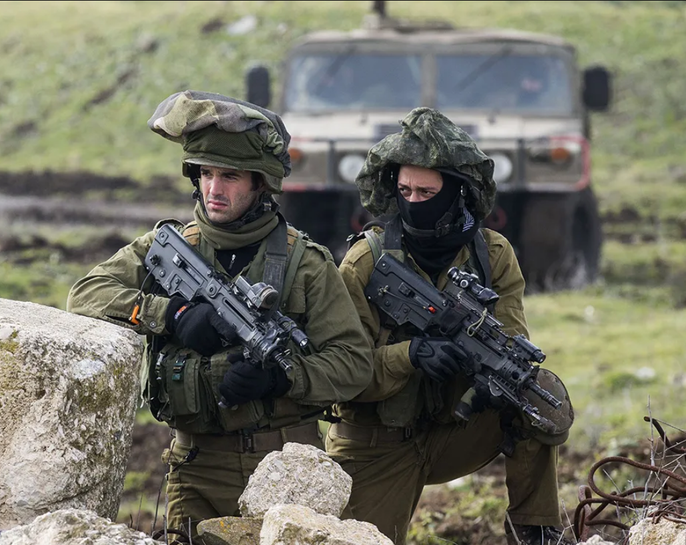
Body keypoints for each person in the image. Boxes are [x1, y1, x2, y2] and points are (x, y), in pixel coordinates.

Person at [66, 90, 373, 543]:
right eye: (206, 174)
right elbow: (85, 294)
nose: (214, 189)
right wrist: (170, 314)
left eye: (229, 176)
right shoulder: (170, 246)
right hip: (196, 467)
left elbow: (355, 364)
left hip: (286, 470)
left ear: (260, 183)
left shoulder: (305, 263)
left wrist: (282, 379)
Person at [325, 107, 574, 545]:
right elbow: (342, 375)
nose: (414, 202)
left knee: (536, 397)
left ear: (457, 193)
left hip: (455, 430)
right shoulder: (366, 261)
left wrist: (489, 380)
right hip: (376, 443)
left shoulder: (492, 255)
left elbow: (513, 340)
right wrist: (411, 355)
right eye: (405, 190)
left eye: (427, 192)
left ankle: (536, 532)